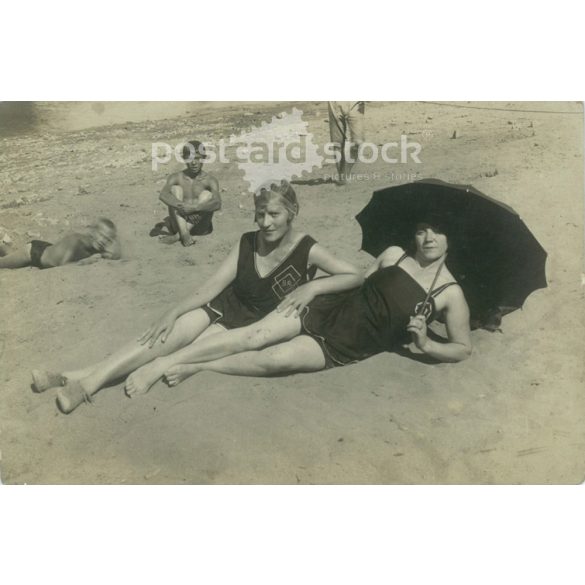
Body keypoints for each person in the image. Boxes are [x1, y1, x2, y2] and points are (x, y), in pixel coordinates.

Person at [32, 180, 363, 413]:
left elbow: (355, 275)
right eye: (260, 214)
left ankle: (76, 379)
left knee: (176, 352)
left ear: (292, 212)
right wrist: (172, 312)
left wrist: (313, 286)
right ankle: (84, 383)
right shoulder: (248, 241)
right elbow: (212, 286)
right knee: (156, 338)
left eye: (274, 214)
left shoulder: (308, 249)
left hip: (248, 326)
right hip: (220, 309)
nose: (265, 222)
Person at [146, 222, 472, 386]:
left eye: (437, 233)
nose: (428, 238)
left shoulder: (449, 292)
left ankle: (198, 365)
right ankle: (167, 361)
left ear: (449, 240)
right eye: (421, 231)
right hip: (328, 307)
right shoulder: (393, 254)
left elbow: (462, 348)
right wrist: (314, 289)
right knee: (254, 335)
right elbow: (357, 281)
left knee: (274, 359)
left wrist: (426, 343)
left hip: (351, 342)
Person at [156, 140, 221, 247]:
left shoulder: (210, 180)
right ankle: (184, 233)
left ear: (203, 158)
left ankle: (178, 236)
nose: (194, 162)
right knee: (175, 189)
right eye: (190, 158)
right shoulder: (177, 177)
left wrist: (196, 208)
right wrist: (183, 206)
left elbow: (217, 203)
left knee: (207, 195)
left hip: (201, 227)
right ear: (184, 159)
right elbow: (163, 195)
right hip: (179, 223)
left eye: (197, 158)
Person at [0, 218, 121, 270]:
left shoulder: (96, 248)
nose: (103, 241)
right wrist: (87, 261)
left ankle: (3, 246)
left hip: (47, 248)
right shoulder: (76, 241)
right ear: (93, 232)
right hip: (34, 253)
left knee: (10, 256)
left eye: (108, 240)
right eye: (102, 236)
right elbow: (62, 265)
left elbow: (115, 254)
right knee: (3, 264)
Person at [328, 101, 365, 185]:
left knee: (357, 142)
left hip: (355, 103)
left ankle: (345, 174)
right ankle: (342, 178)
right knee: (337, 144)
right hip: (335, 103)